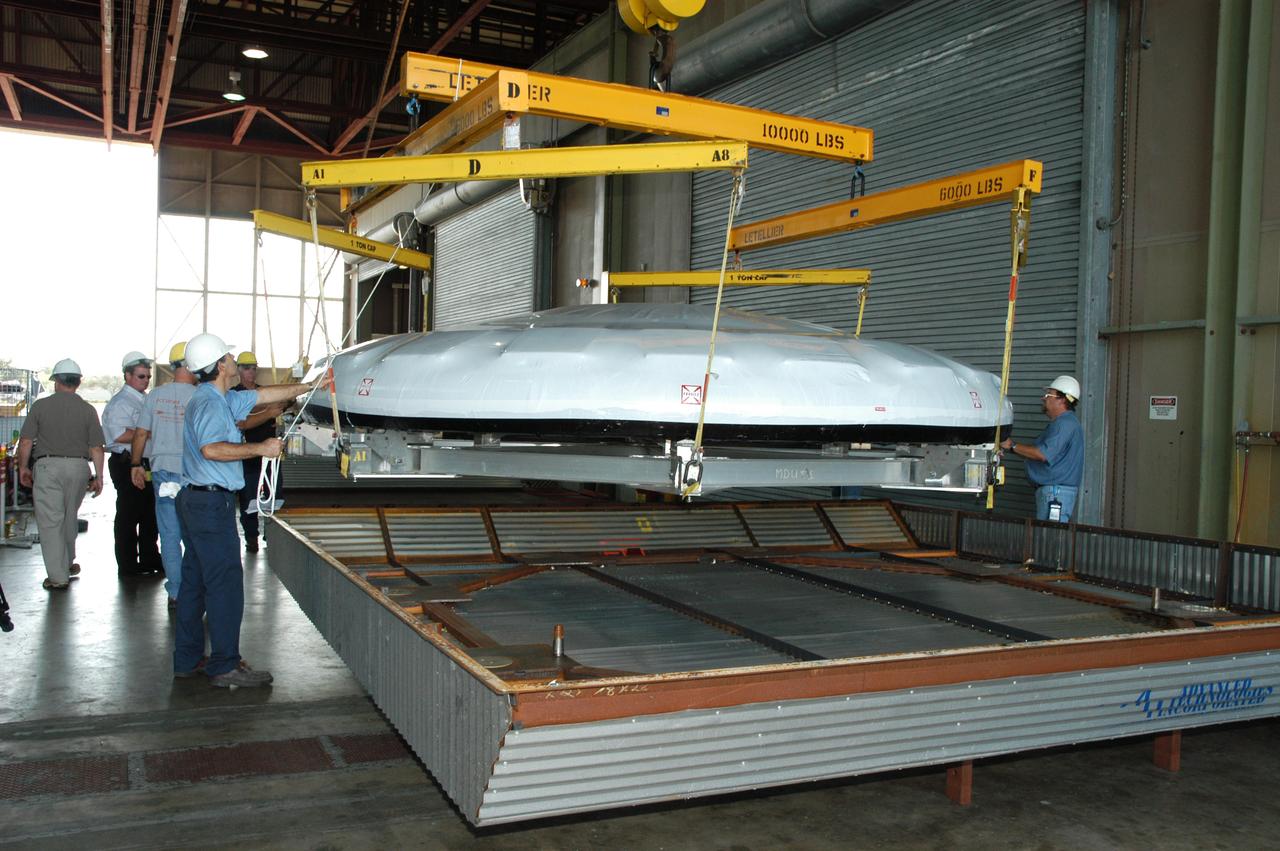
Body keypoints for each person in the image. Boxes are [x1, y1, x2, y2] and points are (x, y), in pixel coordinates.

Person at [174, 332, 326, 688]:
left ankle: (188, 657)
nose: (232, 360)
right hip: (210, 505)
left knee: (195, 583)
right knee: (225, 586)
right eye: (228, 356)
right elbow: (212, 449)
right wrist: (261, 449)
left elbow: (265, 395)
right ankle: (225, 665)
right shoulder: (212, 405)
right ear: (221, 365)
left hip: (197, 502)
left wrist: (308, 385)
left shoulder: (220, 398)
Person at [15, 359, 105, 590]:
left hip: (48, 468)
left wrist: (23, 467)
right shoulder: (88, 410)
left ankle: (58, 576)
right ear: (78, 382)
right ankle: (67, 561)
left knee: (50, 521)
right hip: (78, 468)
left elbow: (26, 441)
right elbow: (96, 447)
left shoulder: (40, 407)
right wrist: (99, 476)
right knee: (68, 516)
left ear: (56, 381)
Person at [130, 343, 198, 606]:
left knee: (169, 534)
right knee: (193, 535)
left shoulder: (155, 396)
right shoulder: (201, 396)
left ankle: (176, 593)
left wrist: (136, 464)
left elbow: (140, 433)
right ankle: (195, 591)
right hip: (193, 473)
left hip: (162, 472)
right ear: (191, 365)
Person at [102, 350, 162, 577]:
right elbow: (119, 435)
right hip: (127, 463)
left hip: (145, 463)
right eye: (141, 376)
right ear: (127, 376)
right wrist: (146, 432)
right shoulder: (121, 403)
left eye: (147, 376)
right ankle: (127, 564)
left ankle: (149, 558)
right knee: (129, 514)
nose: (145, 380)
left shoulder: (143, 400)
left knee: (149, 514)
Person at [1001, 375, 1084, 523]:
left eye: (1048, 395)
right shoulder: (1065, 423)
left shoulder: (1064, 424)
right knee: (1047, 539)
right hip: (1054, 493)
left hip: (1055, 494)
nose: (1043, 398)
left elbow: (1042, 454)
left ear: (1062, 400)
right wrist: (1014, 449)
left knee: (1048, 540)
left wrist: (1013, 445)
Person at [230, 351, 286, 554]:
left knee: (274, 496)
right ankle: (251, 538)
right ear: (238, 370)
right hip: (248, 455)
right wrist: (267, 411)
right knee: (248, 498)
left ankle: (272, 537)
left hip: (270, 455)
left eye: (254, 368)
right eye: (246, 368)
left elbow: (282, 404)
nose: (251, 372)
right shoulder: (234, 395)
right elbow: (241, 420)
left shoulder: (265, 393)